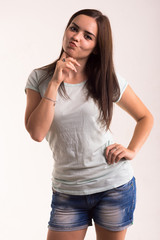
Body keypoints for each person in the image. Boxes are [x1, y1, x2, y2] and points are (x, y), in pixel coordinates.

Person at [24, 9, 153, 240]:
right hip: (68, 190)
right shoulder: (40, 78)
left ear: (96, 47)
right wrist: (55, 82)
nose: (76, 37)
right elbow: (36, 132)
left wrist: (132, 150)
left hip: (112, 185)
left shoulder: (105, 78)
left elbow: (145, 117)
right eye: (74, 28)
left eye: (87, 36)